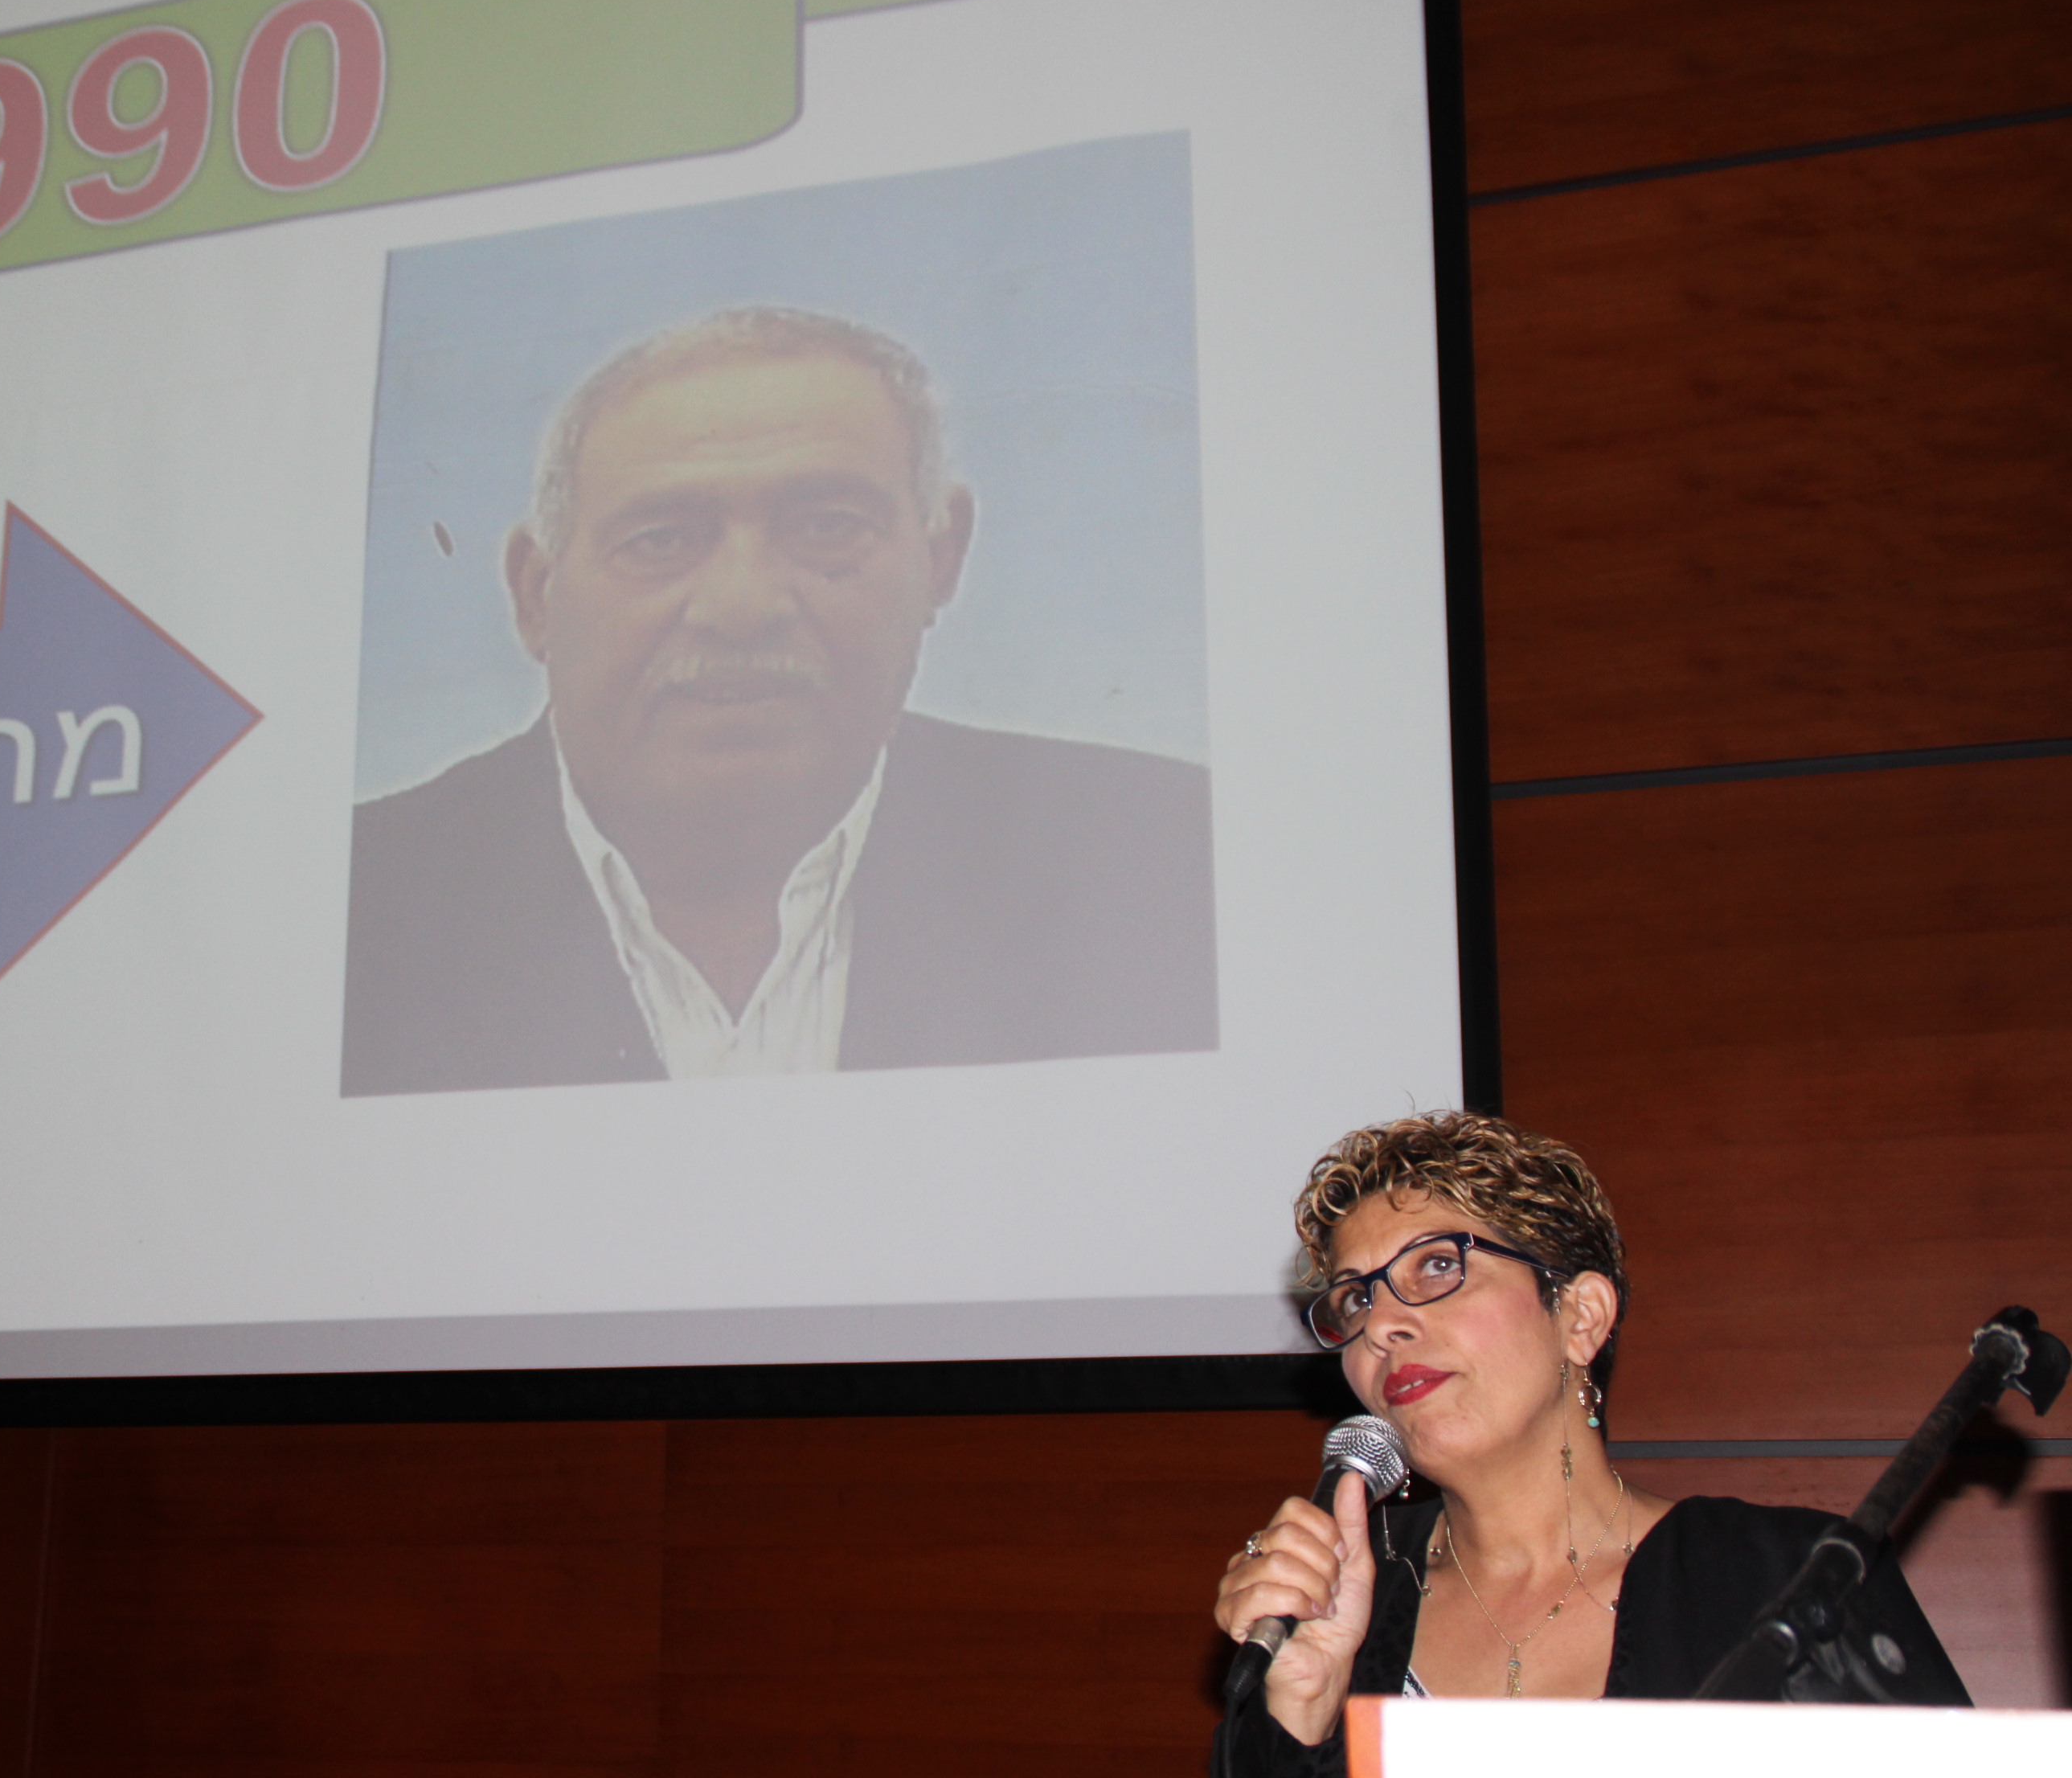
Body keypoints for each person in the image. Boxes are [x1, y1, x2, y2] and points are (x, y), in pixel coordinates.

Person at [342, 306, 1216, 1096]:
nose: (742, 605)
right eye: (662, 539)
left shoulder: (1167, 856)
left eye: (827, 527)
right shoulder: (356, 910)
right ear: (536, 595)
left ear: (940, 557)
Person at [1212, 1111, 1968, 1774]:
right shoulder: (1333, 1601)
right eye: (1356, 1298)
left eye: (1438, 1265)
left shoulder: (1791, 1578)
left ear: (1580, 1318)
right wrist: (1302, 1707)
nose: (1380, 1326)